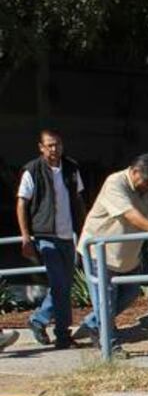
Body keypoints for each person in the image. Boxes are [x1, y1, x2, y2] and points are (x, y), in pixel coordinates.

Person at [74, 153, 148, 349]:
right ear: (134, 172)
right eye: (146, 181)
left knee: (130, 295)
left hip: (128, 257)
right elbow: (131, 216)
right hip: (100, 254)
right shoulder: (115, 183)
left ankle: (94, 324)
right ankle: (109, 346)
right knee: (106, 303)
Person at [16, 129, 87, 349]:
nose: (54, 149)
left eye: (57, 144)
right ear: (41, 147)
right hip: (46, 236)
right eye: (49, 145)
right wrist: (26, 235)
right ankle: (62, 334)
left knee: (63, 286)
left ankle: (38, 320)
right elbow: (22, 203)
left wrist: (84, 230)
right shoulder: (32, 170)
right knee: (59, 285)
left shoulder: (71, 168)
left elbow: (79, 200)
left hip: (68, 236)